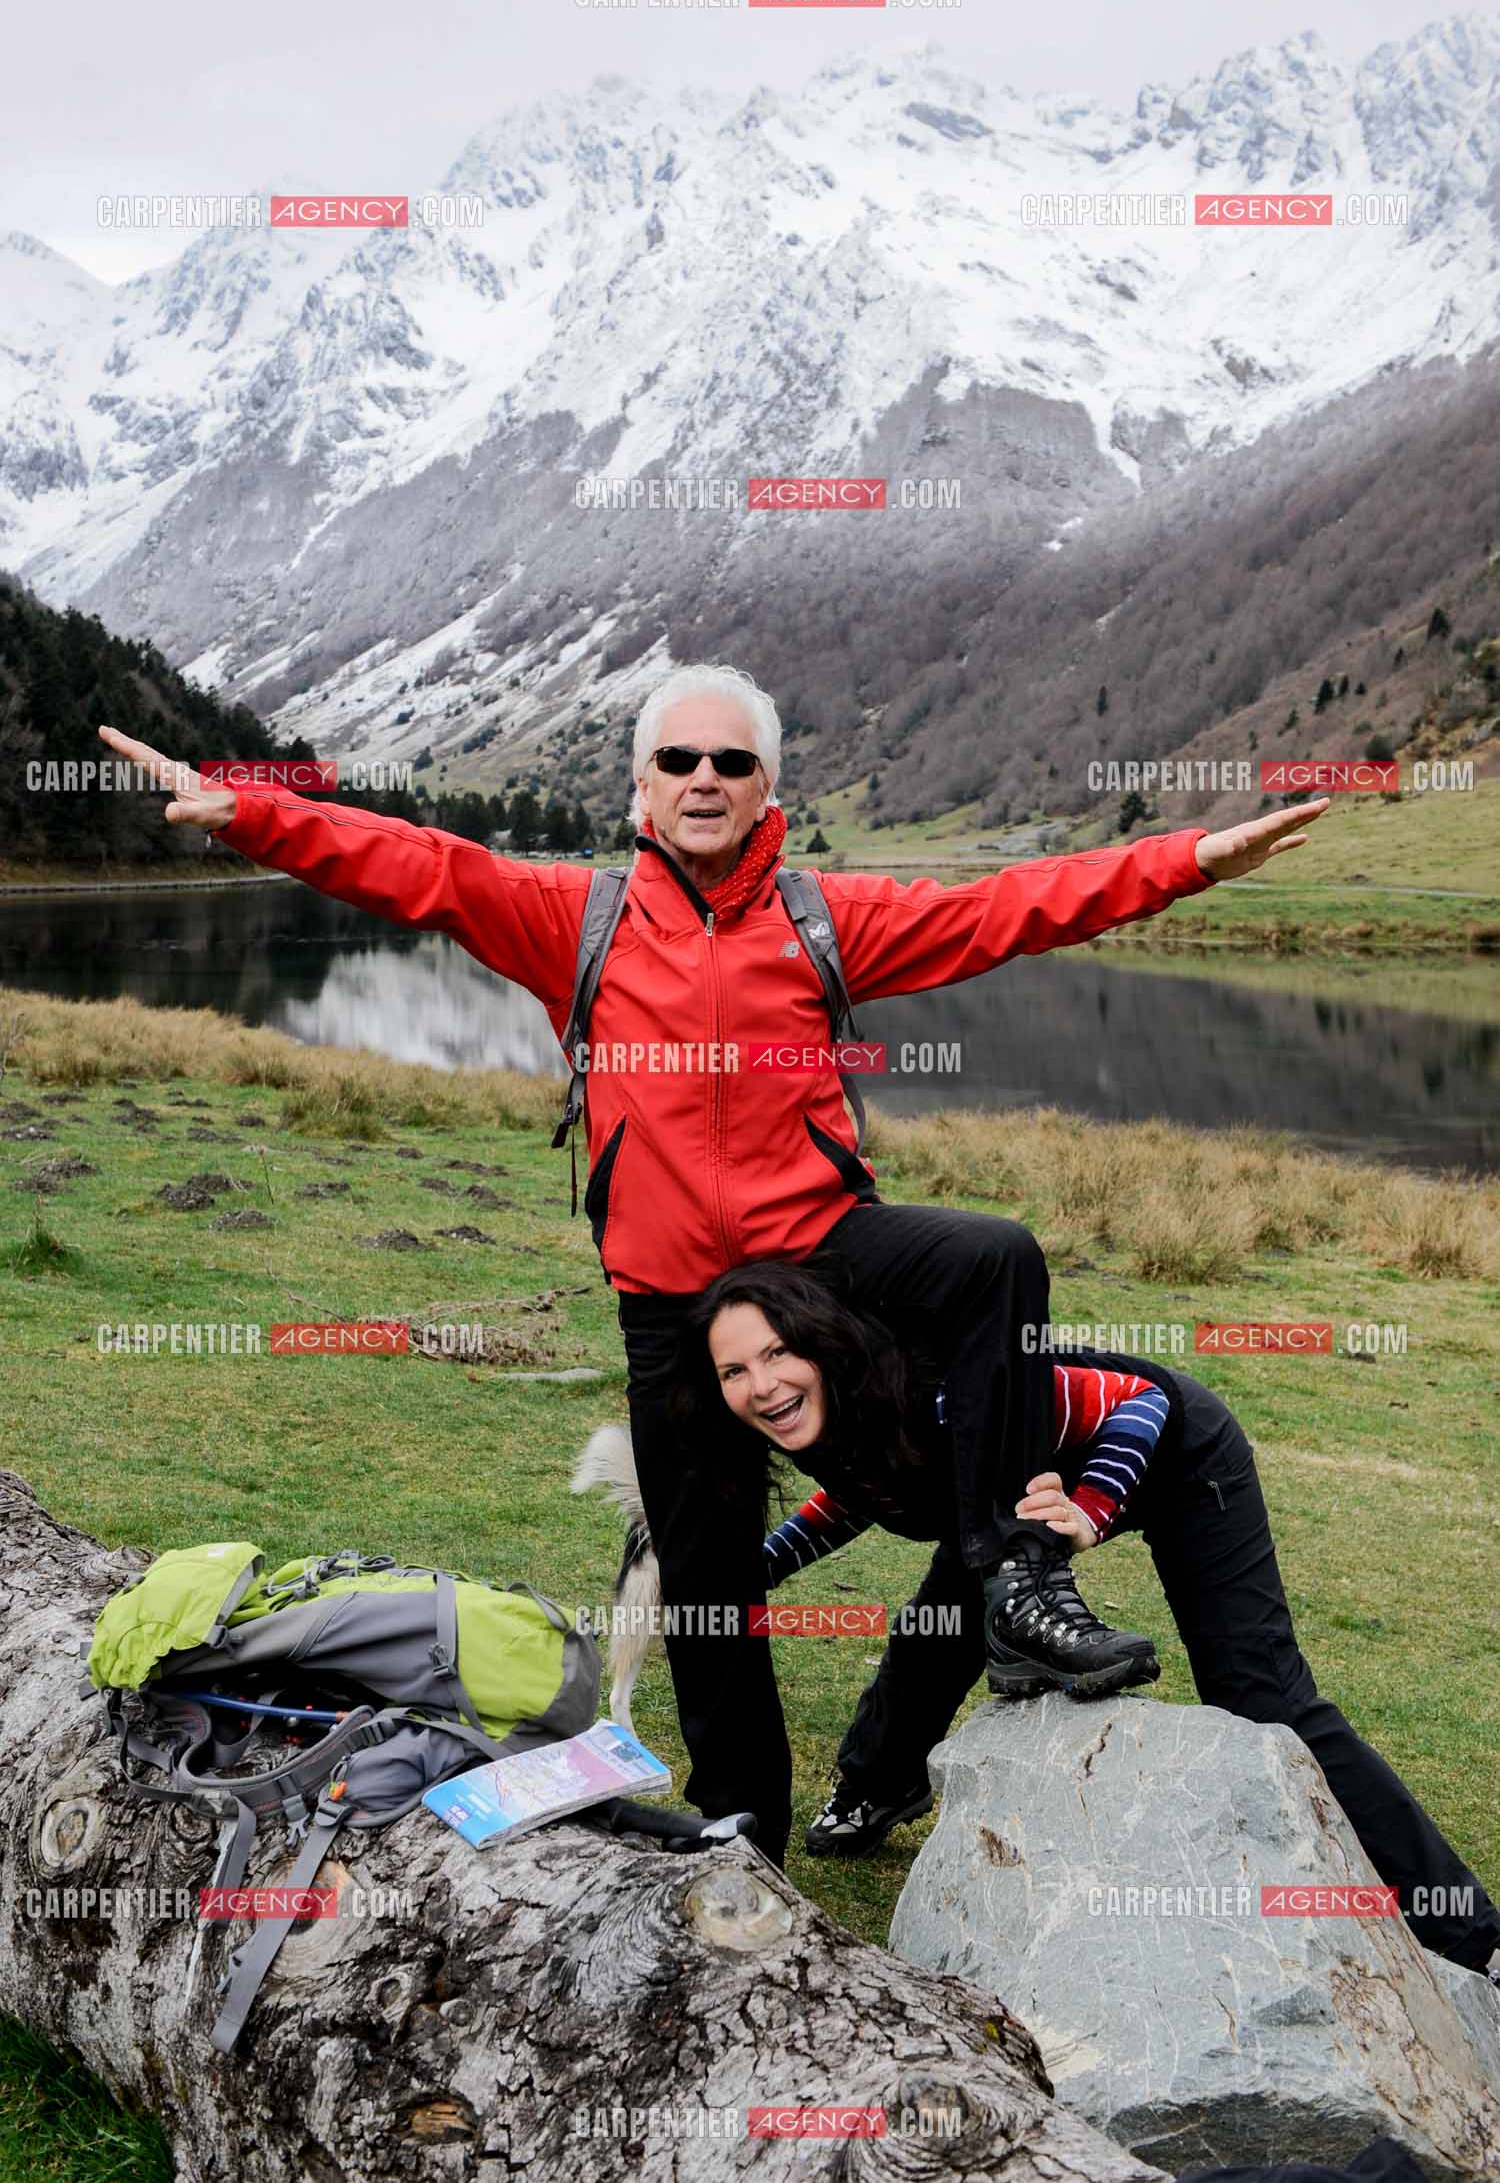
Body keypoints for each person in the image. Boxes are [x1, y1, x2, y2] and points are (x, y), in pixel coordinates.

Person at [96, 667, 1329, 1866]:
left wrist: (1191, 860)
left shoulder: (821, 917)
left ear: (764, 790)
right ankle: (743, 1816)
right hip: (669, 1297)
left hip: (820, 1257)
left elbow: (1009, 906)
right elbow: (418, 865)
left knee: (991, 1258)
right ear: (641, 786)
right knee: (706, 1571)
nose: (701, 778)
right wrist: (252, 810)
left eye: (729, 761)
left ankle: (1008, 1575)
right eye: (677, 759)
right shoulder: (570, 918)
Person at [686, 1259, 1500, 1979]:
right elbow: (871, 1493)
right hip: (1026, 1501)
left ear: (823, 1342)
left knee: (1265, 1698)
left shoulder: (930, 1391)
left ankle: (1474, 1935)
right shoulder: (824, 1418)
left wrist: (1092, 1511)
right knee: (939, 1629)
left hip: (1172, 1453)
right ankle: (875, 1788)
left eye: (777, 1352)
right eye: (733, 1371)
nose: (760, 1385)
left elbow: (1140, 1401)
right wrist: (743, 1571)